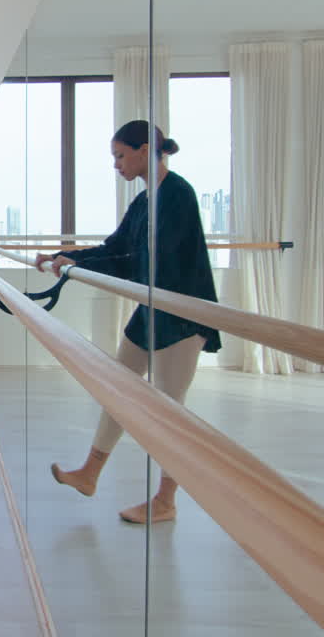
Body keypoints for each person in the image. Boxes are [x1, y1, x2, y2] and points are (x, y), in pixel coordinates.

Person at [37, 119, 221, 524]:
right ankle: (89, 473)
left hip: (181, 316)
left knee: (170, 413)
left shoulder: (178, 195)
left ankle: (166, 501)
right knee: (117, 388)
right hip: (151, 310)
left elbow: (146, 260)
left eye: (120, 156)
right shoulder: (143, 200)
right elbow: (116, 247)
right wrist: (66, 258)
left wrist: (76, 264)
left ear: (144, 151)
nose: (116, 164)